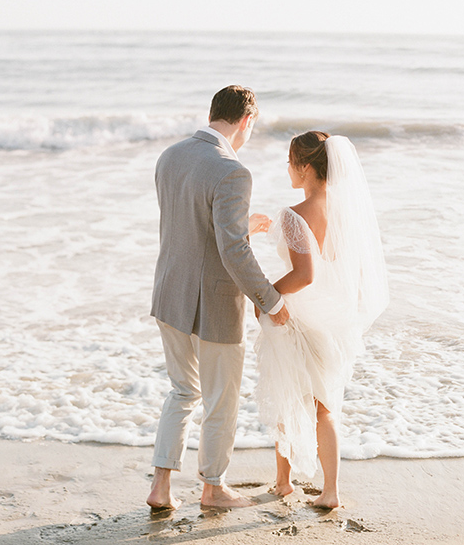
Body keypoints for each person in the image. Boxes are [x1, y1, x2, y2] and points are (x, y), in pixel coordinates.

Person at [147, 85, 289, 510]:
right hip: (213, 305)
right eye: (253, 127)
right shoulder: (233, 171)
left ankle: (160, 488)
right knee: (220, 400)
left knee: (182, 392)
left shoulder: (170, 156)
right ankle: (213, 489)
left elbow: (189, 223)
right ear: (246, 120)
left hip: (169, 293)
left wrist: (242, 223)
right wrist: (270, 300)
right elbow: (233, 252)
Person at [254, 131, 389, 508]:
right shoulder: (348, 213)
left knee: (288, 397)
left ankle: (284, 483)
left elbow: (303, 275)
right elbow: (356, 275)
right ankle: (330, 491)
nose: (287, 167)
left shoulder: (295, 215)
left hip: (298, 318)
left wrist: (266, 296)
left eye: (290, 161)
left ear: (306, 167)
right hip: (335, 320)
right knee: (326, 408)